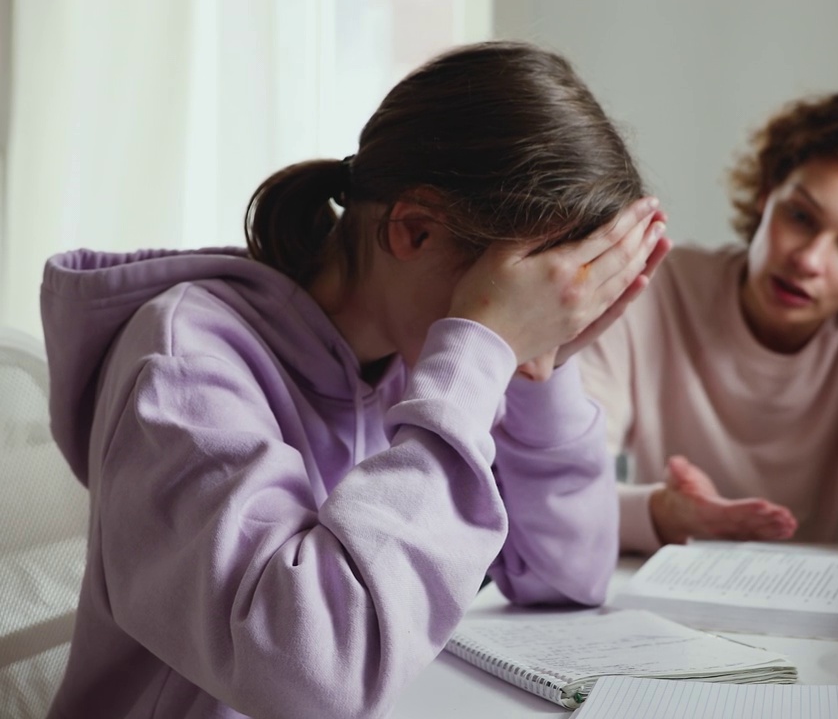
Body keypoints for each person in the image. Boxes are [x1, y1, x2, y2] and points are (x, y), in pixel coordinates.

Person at [41, 42, 669, 718]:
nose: (531, 323)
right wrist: (481, 349)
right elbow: (312, 670)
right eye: (521, 292)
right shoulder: (186, 365)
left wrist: (543, 366)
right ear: (414, 231)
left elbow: (564, 580)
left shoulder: (412, 358)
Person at [581, 92, 838, 555]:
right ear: (768, 194)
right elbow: (556, 501)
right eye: (801, 216)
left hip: (832, 614)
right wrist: (663, 514)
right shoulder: (656, 289)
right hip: (667, 599)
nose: (809, 260)